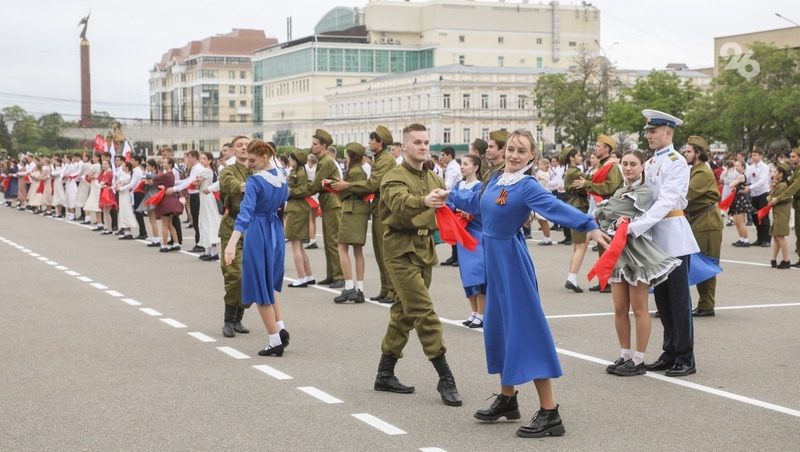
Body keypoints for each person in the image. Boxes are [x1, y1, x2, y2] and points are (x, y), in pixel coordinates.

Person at [446, 129, 607, 438]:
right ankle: (508, 399)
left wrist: (588, 225)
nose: (514, 154)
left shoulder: (527, 185)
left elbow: (556, 208)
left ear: (532, 156)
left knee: (526, 331)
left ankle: (550, 413)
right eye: (511, 149)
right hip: (495, 261)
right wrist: (449, 195)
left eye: (522, 151)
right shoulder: (495, 179)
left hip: (511, 262)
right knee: (499, 328)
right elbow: (478, 204)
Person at [372, 123, 462, 408]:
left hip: (424, 250)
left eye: (426, 142)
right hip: (400, 251)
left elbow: (446, 207)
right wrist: (424, 200)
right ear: (405, 145)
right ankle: (444, 375)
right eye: (417, 142)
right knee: (424, 312)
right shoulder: (393, 177)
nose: (423, 147)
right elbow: (399, 203)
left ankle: (385, 373)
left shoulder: (434, 177)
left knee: (404, 313)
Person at [595, 150, 681, 376]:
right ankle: (624, 354)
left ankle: (639, 359)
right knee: (619, 308)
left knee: (639, 308)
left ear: (642, 166)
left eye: (633, 164)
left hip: (637, 253)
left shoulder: (644, 191)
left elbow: (611, 210)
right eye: (625, 163)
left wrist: (608, 208)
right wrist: (607, 209)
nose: (628, 168)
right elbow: (601, 214)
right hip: (618, 253)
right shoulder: (621, 190)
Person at [631, 109, 700, 378]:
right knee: (662, 300)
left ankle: (685, 356)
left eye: (653, 131)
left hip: (673, 237)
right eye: (648, 130)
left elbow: (667, 201)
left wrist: (636, 227)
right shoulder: (650, 163)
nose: (649, 135)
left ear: (668, 132)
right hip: (655, 239)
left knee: (679, 300)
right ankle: (670, 351)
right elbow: (643, 197)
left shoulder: (676, 161)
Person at [223, 140, 290, 357]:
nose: (249, 164)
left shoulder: (255, 181)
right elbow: (282, 206)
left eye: (252, 160)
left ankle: (274, 340)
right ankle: (280, 328)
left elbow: (245, 213)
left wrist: (231, 243)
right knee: (272, 284)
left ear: (263, 156)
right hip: (275, 230)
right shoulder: (282, 177)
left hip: (258, 231)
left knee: (259, 287)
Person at [331, 126, 397, 304]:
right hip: (378, 207)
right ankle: (385, 289)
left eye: (371, 139)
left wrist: (346, 186)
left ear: (380, 142)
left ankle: (391, 291)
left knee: (385, 252)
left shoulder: (385, 160)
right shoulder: (380, 158)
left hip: (384, 207)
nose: (369, 143)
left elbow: (372, 185)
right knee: (378, 251)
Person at [572, 134, 623, 293]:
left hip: (611, 211)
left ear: (607, 149)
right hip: (603, 211)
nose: (595, 148)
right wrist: (586, 181)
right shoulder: (603, 165)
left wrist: (586, 184)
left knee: (609, 246)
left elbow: (608, 187)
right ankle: (605, 281)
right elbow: (595, 179)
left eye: (598, 146)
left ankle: (612, 281)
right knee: (603, 246)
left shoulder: (612, 167)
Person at [684, 136, 723, 317]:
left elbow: (686, 195)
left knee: (706, 262)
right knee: (700, 263)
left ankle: (707, 305)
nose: (685, 153)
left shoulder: (701, 173)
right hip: (699, 219)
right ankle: (704, 303)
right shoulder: (696, 170)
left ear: (698, 153)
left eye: (689, 151)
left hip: (707, 222)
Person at [218, 136, 253, 338]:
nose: (243, 148)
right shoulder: (228, 171)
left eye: (247, 145)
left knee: (250, 275)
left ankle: (239, 317)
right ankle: (228, 319)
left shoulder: (257, 170)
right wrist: (247, 186)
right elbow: (230, 184)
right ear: (232, 150)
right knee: (234, 274)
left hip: (253, 228)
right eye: (239, 145)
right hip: (233, 226)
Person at [446, 154, 486, 328]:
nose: (462, 167)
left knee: (479, 273)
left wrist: (467, 212)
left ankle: (482, 313)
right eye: (461, 164)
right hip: (462, 231)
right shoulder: (458, 185)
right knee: (467, 275)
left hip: (476, 232)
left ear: (476, 167)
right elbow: (450, 203)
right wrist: (455, 210)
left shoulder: (480, 186)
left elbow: (480, 208)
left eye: (466, 164)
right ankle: (473, 311)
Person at [329, 142, 372, 303]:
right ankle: (359, 289)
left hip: (351, 210)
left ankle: (348, 287)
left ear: (351, 156)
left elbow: (346, 192)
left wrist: (334, 187)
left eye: (347, 155)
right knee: (358, 251)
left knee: (342, 248)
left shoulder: (354, 172)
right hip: (360, 212)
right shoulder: (360, 170)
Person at [307, 129, 345, 288]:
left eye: (315, 144)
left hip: (332, 202)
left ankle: (339, 276)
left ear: (323, 146)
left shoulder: (327, 162)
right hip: (328, 202)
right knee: (329, 241)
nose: (312, 146)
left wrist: (294, 191)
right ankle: (332, 274)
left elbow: (315, 185)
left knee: (333, 241)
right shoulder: (323, 160)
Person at [284, 149, 316, 287]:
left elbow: (301, 190)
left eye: (291, 158)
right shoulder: (301, 172)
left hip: (295, 209)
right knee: (300, 246)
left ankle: (301, 277)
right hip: (300, 208)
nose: (289, 161)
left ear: (295, 160)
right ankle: (308, 275)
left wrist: (288, 191)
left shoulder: (297, 173)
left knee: (295, 245)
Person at [561, 146, 590, 293]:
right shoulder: (576, 172)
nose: (580, 157)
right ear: (572, 158)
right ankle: (572, 278)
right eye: (578, 155)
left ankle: (571, 276)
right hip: (579, 206)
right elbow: (589, 184)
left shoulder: (569, 171)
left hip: (573, 206)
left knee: (577, 245)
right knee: (581, 245)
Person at [768, 149, 800, 266]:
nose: (791, 159)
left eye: (794, 157)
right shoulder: (796, 170)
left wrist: (777, 198)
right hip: (794, 204)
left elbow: (793, 188)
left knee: (784, 234)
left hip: (789, 206)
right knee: (795, 231)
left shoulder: (798, 172)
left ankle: (787, 260)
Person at [152, 158, 183, 252]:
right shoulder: (171, 175)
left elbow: (155, 179)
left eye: (165, 162)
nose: (163, 163)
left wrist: (159, 185)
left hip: (166, 200)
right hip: (171, 200)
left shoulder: (166, 175)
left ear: (170, 164)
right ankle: (176, 243)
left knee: (165, 224)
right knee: (170, 224)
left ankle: (164, 245)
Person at [196, 151, 222, 261]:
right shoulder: (209, 170)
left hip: (207, 198)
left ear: (210, 160)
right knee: (207, 222)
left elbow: (196, 183)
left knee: (207, 222)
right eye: (201, 158)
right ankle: (209, 251)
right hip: (205, 197)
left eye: (204, 158)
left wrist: (195, 181)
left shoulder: (206, 170)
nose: (201, 160)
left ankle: (211, 252)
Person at [767, 164, 793, 268]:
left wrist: (770, 195)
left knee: (780, 236)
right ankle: (773, 259)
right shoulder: (779, 184)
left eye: (775, 172)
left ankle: (786, 260)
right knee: (776, 236)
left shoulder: (782, 186)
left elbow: (770, 199)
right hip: (779, 212)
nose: (773, 174)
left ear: (781, 174)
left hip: (781, 213)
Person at [440, 147, 461, 266]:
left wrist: (436, 183)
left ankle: (457, 257)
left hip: (453, 201)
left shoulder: (452, 168)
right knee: (453, 230)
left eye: (443, 155)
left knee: (455, 230)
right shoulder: (451, 166)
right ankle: (454, 256)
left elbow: (447, 185)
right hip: (452, 200)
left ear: (449, 155)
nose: (441, 157)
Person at [746, 148, 771, 247]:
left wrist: (750, 187)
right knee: (755, 217)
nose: (753, 157)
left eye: (755, 155)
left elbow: (762, 181)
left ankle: (767, 239)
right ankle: (759, 238)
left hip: (762, 194)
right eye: (752, 155)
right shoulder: (751, 167)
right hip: (754, 194)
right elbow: (747, 178)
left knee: (763, 217)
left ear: (761, 156)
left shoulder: (765, 167)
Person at [728, 160, 754, 247]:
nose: (736, 167)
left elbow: (731, 184)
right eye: (736, 166)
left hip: (741, 199)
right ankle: (741, 238)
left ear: (743, 167)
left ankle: (746, 240)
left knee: (741, 221)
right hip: (738, 198)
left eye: (738, 166)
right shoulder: (740, 176)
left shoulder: (741, 176)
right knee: (736, 221)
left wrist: (733, 184)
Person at [115, 161, 137, 240]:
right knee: (122, 212)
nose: (122, 167)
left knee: (126, 211)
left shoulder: (128, 176)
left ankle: (128, 232)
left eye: (124, 166)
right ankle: (125, 231)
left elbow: (125, 184)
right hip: (121, 194)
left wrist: (119, 187)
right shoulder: (123, 174)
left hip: (125, 195)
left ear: (127, 167)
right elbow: (118, 182)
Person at [534, 158, 553, 246]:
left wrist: (537, 175)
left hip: (543, 196)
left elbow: (540, 177)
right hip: (538, 196)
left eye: (541, 164)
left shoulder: (546, 174)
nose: (539, 166)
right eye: (539, 164)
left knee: (542, 218)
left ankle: (548, 238)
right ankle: (546, 237)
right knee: (539, 218)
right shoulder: (540, 172)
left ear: (546, 165)